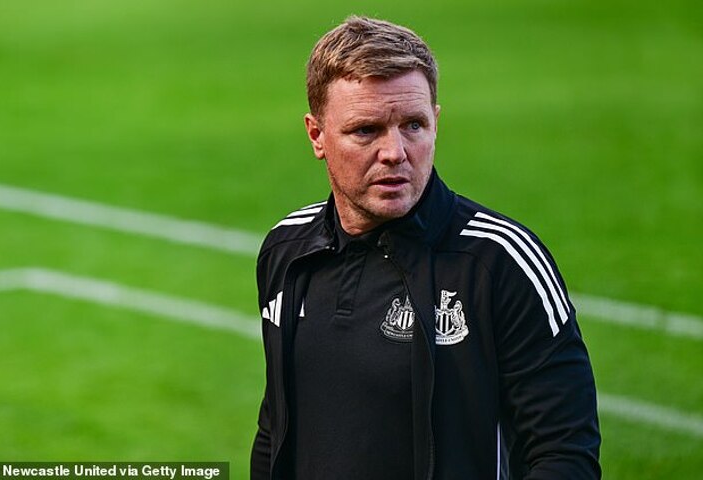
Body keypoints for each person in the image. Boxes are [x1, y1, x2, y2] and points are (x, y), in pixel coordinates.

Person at [251, 16, 601, 480]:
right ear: (317, 135)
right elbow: (275, 428)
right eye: (366, 130)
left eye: (413, 125)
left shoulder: (499, 262)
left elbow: (564, 452)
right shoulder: (287, 251)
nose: (395, 152)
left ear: (436, 123)